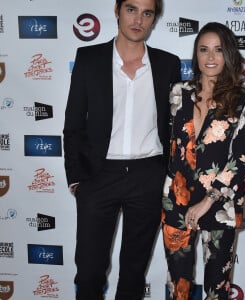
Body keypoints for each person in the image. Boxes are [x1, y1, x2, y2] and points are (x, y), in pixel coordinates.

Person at [63, 0, 181, 299]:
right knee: (89, 270)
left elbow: (177, 127)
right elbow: (73, 123)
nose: (138, 19)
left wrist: (168, 176)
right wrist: (77, 178)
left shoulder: (168, 64)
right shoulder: (89, 58)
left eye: (147, 12)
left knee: (133, 271)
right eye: (131, 9)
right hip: (98, 175)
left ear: (154, 19)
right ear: (117, 11)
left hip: (148, 176)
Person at [162, 22, 245, 300]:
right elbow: (168, 144)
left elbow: (240, 160)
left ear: (229, 55)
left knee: (217, 289)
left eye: (218, 50)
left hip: (219, 206)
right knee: (177, 288)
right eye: (204, 50)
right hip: (176, 202)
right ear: (197, 55)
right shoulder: (178, 93)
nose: (211, 57)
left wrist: (207, 201)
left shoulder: (244, 100)